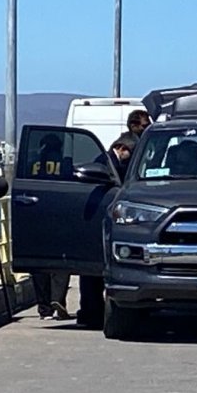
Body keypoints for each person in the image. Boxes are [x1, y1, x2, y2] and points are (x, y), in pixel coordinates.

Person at [78, 132, 137, 329]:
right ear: (122, 148)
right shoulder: (105, 163)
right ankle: (90, 310)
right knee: (92, 273)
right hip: (97, 220)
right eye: (131, 153)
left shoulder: (113, 162)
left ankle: (91, 310)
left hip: (104, 221)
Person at [31, 134, 71, 319]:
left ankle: (44, 307)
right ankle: (58, 298)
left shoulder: (31, 164)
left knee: (39, 265)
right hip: (60, 217)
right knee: (61, 261)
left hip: (36, 217)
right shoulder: (65, 164)